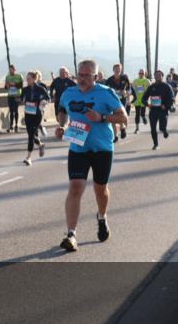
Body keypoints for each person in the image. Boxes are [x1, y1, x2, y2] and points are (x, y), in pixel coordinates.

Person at [54, 59, 129, 252]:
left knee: (100, 189)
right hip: (78, 148)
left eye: (87, 75)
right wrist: (62, 126)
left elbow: (124, 118)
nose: (82, 78)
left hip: (102, 148)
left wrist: (102, 117)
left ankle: (102, 217)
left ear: (95, 76)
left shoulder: (106, 93)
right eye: (80, 74)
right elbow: (63, 111)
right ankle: (71, 234)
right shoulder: (69, 93)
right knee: (75, 187)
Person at [20, 70, 50, 165]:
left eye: (28, 79)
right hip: (28, 113)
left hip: (37, 114)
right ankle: (41, 145)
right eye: (26, 79)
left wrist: (43, 102)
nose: (27, 80)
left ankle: (28, 158)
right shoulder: (25, 89)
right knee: (31, 135)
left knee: (31, 135)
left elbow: (48, 98)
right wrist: (23, 100)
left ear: (34, 79)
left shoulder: (41, 89)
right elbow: (21, 99)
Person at [141, 70, 175, 150]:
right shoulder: (151, 87)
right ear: (154, 77)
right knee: (153, 128)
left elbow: (171, 99)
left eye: (159, 75)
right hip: (153, 110)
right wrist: (148, 105)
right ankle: (156, 144)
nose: (158, 77)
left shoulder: (167, 87)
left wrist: (166, 106)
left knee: (161, 128)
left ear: (162, 76)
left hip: (163, 110)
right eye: (156, 75)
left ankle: (164, 131)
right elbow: (144, 99)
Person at [105, 64, 131, 142]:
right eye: (116, 69)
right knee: (113, 117)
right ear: (113, 70)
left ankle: (122, 127)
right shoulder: (109, 80)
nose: (117, 70)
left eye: (119, 69)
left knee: (121, 116)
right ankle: (115, 135)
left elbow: (130, 89)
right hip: (112, 101)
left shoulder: (125, 78)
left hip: (122, 100)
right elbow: (105, 91)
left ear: (121, 70)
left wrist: (126, 93)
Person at [4, 64, 24, 133]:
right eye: (9, 70)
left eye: (11, 70)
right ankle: (11, 125)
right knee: (11, 111)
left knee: (16, 110)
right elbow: (6, 87)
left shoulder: (19, 76)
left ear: (14, 69)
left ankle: (16, 125)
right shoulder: (7, 77)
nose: (10, 71)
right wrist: (7, 85)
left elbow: (21, 86)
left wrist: (14, 84)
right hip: (10, 96)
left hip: (17, 95)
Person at [131, 68, 151, 134]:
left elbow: (151, 90)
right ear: (138, 74)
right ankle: (137, 128)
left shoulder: (147, 81)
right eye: (140, 73)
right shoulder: (135, 81)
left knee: (142, 113)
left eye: (142, 73)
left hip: (144, 100)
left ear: (145, 74)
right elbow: (131, 90)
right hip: (137, 99)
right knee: (137, 114)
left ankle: (143, 117)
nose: (141, 75)